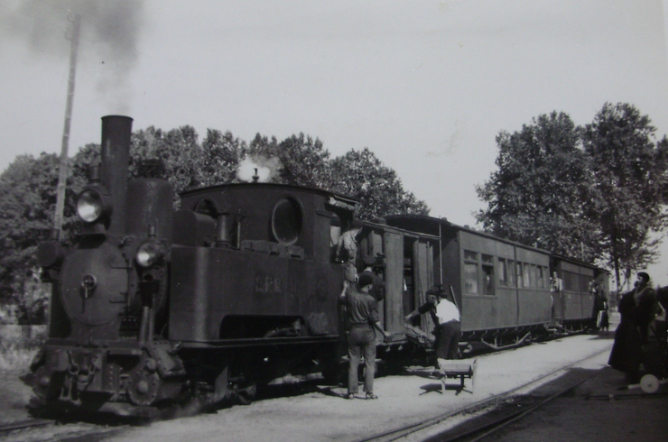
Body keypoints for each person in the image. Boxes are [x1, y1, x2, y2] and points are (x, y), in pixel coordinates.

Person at [340, 273, 391, 399]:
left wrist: (345, 288)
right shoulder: (371, 300)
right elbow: (374, 319)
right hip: (367, 332)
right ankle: (369, 392)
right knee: (369, 362)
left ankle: (351, 392)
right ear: (369, 286)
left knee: (353, 362)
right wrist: (384, 332)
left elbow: (340, 298)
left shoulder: (350, 296)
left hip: (353, 332)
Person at [608, 272, 659, 382]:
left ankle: (637, 370)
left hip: (642, 321)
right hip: (633, 319)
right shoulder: (635, 291)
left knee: (638, 344)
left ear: (646, 280)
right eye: (638, 278)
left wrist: (646, 318)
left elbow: (651, 308)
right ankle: (628, 369)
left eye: (640, 278)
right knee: (625, 341)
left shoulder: (649, 292)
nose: (638, 279)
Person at [405, 286, 461, 365]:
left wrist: (435, 333)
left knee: (441, 349)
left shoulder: (439, 306)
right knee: (452, 349)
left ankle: (440, 369)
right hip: (457, 326)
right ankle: (454, 369)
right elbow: (421, 309)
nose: (426, 300)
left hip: (447, 326)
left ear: (433, 297)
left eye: (427, 298)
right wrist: (409, 316)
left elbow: (440, 322)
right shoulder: (450, 304)